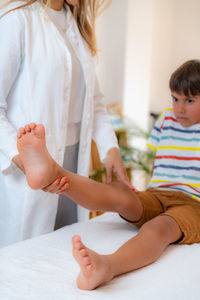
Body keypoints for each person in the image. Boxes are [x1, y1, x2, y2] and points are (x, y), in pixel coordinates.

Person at [17, 59, 200, 290]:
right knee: (121, 195)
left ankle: (107, 266)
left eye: (190, 100)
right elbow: (159, 163)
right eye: (175, 98)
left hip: (193, 203)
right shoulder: (166, 120)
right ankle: (54, 173)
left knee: (160, 226)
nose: (180, 108)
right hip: (159, 192)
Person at [0, 0, 131, 247]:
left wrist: (110, 150)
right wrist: (24, 160)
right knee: (28, 259)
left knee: (62, 258)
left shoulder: (78, 27)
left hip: (72, 170)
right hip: (29, 172)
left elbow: (94, 102)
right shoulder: (17, 20)